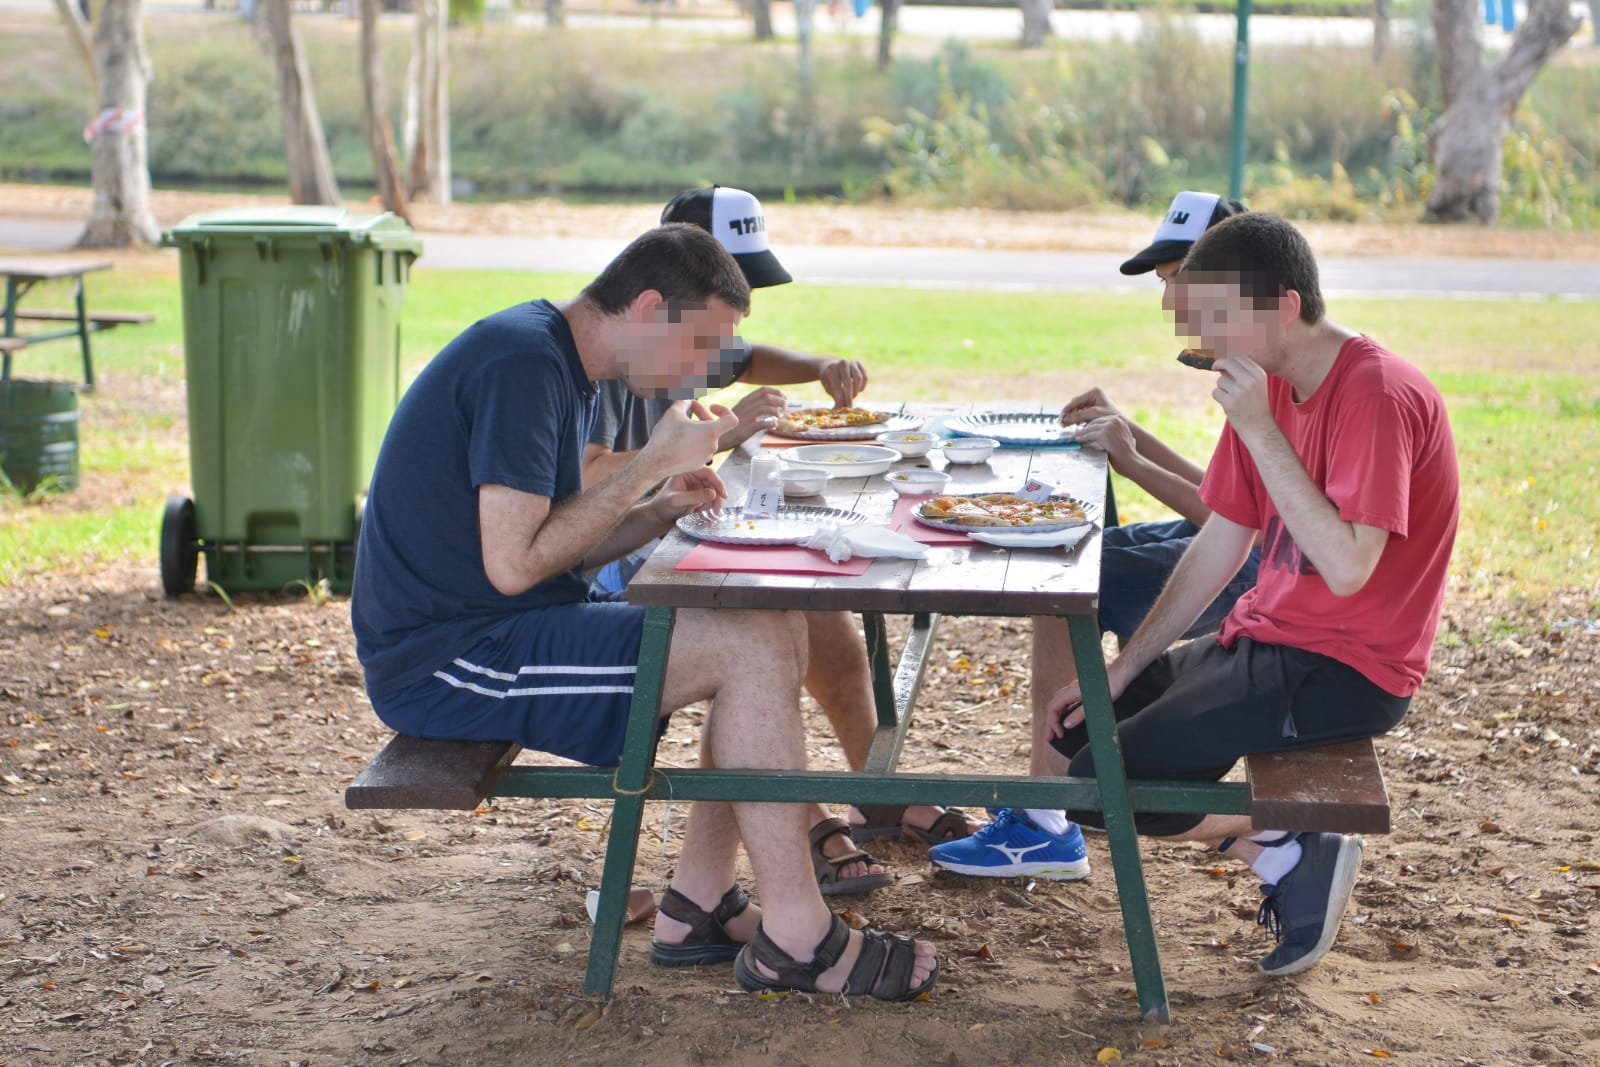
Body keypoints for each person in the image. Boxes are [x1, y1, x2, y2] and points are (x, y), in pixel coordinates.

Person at [350, 224, 938, 1000]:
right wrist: (657, 461)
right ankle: (799, 935)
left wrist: (655, 510)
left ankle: (695, 904)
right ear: (650, 305)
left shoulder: (556, 358)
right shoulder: (523, 362)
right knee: (751, 643)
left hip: (503, 622)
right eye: (699, 345)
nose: (702, 371)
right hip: (449, 659)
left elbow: (555, 541)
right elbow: (515, 561)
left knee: (775, 619)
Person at [1042, 212, 1455, 976]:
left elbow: (1348, 568)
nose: (1205, 340)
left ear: (1285, 306)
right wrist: (1129, 664)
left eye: (1220, 317)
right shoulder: (1265, 389)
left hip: (1346, 669)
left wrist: (1263, 430)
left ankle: (1303, 834)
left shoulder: (1375, 393)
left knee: (1097, 788)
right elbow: (1219, 541)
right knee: (1082, 732)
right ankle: (1280, 843)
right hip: (1266, 638)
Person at [585, 186, 978, 897]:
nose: (732, 327)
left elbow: (743, 357)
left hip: (678, 525)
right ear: (669, 278)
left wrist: (817, 365)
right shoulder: (615, 356)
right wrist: (718, 436)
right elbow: (589, 480)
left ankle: (873, 784)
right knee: (769, 622)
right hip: (621, 560)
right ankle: (805, 817)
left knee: (817, 603)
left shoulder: (689, 336)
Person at [930, 191, 1261, 882]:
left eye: (1179, 278)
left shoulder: (1255, 361)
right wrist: (1131, 434)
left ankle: (1049, 818)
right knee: (1068, 554)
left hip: (1260, 574)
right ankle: (1055, 801)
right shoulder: (1243, 350)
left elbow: (1241, 526)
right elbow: (1229, 494)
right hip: (1252, 549)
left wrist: (1133, 458)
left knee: (1060, 581)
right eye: (1168, 280)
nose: (1169, 298)